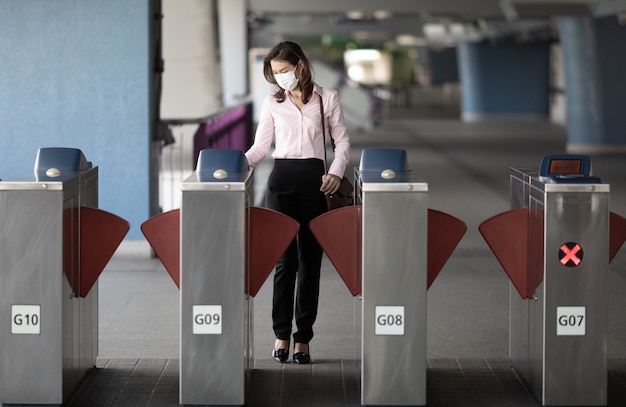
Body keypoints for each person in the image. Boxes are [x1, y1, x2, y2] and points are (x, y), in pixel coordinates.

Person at [245, 41, 350, 364]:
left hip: (316, 183)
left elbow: (342, 142)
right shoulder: (273, 102)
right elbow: (261, 148)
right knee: (284, 263)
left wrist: (335, 172)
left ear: (300, 65)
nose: (280, 78)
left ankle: (303, 337)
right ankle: (280, 335)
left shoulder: (327, 98)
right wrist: (231, 166)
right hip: (282, 183)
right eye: (275, 73)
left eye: (283, 71)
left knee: (310, 264)